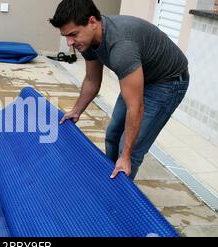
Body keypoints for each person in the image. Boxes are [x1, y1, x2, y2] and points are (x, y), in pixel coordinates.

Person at [50, 0, 189, 180]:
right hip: (141, 74)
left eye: (73, 34)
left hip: (167, 83)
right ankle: (110, 180)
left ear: (92, 22)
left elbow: (136, 107)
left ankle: (118, 196)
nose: (69, 42)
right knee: (113, 133)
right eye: (66, 36)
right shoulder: (87, 40)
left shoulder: (122, 47)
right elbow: (92, 80)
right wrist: (76, 111)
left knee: (130, 149)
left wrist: (125, 157)